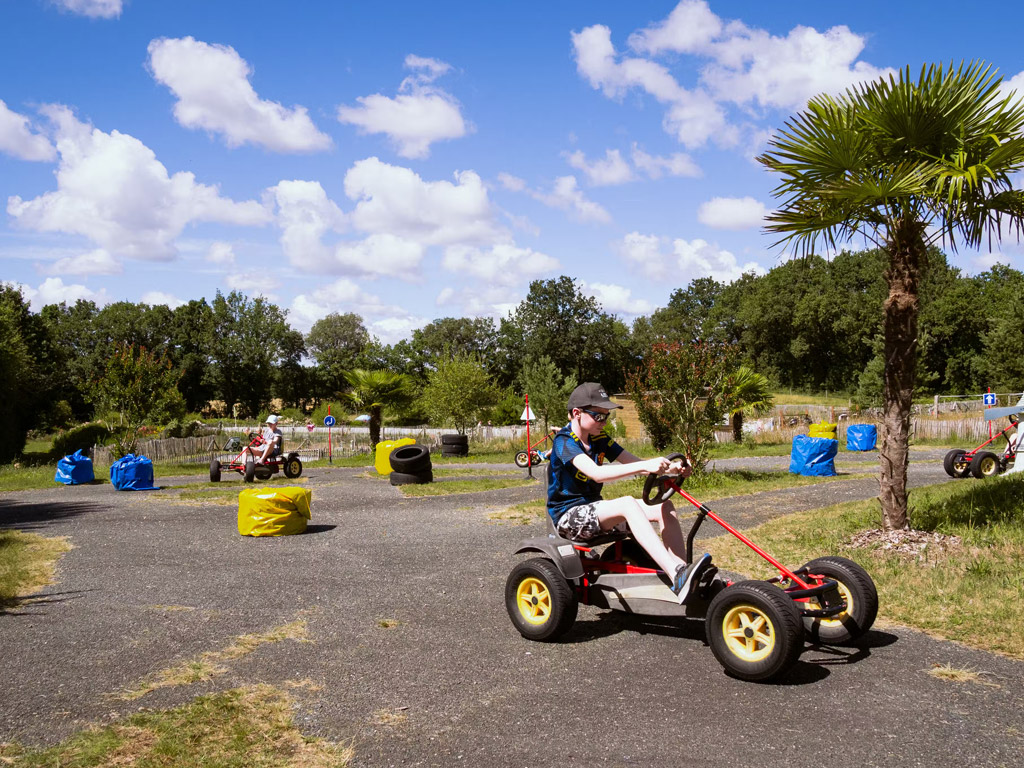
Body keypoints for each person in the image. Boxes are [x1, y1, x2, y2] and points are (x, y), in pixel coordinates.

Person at [548, 382, 713, 604]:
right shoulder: (564, 442)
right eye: (599, 416)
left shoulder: (599, 439)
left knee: (663, 506)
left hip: (595, 511)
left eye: (607, 416)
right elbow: (596, 473)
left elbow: (633, 462)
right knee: (627, 504)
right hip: (569, 518)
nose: (604, 422)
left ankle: (680, 573)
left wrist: (673, 469)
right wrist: (646, 467)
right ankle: (676, 573)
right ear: (577, 413)